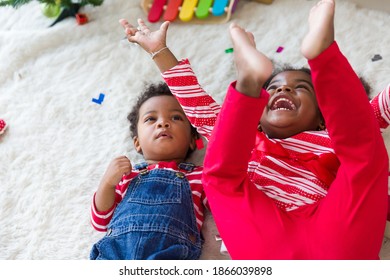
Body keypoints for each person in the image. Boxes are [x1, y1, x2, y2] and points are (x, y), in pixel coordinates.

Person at [120, 0, 389, 259]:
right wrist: (160, 52)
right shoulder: (247, 136)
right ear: (256, 116)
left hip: (334, 227)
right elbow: (198, 107)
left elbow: (368, 114)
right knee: (219, 175)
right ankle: (249, 80)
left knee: (365, 157)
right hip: (264, 232)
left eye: (301, 88)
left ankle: (324, 55)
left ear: (322, 118)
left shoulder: (330, 135)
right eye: (272, 88)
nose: (284, 89)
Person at [89, 82, 209, 260]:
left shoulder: (200, 176)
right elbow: (100, 221)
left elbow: (225, 209)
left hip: (170, 251)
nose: (163, 123)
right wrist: (106, 183)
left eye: (176, 118)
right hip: (116, 252)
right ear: (137, 143)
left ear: (193, 140)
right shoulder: (126, 175)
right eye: (151, 119)